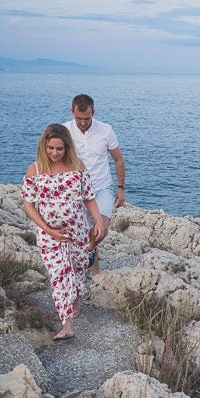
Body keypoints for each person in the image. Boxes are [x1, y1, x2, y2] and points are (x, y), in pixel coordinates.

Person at [21, 123, 105, 341]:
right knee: (59, 275)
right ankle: (66, 325)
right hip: (49, 235)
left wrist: (98, 221)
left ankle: (75, 299)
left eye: (59, 148)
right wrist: (48, 229)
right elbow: (28, 205)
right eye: (50, 148)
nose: (55, 153)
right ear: (44, 146)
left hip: (77, 230)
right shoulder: (35, 170)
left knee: (77, 268)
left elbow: (88, 197)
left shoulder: (78, 166)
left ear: (67, 147)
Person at [64, 94, 125, 275]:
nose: (82, 123)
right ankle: (95, 271)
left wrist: (121, 188)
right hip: (75, 190)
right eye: (79, 118)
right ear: (72, 112)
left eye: (87, 118)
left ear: (94, 113)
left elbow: (118, 159)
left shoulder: (106, 130)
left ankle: (87, 251)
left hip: (101, 187)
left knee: (101, 229)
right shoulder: (64, 131)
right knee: (82, 231)